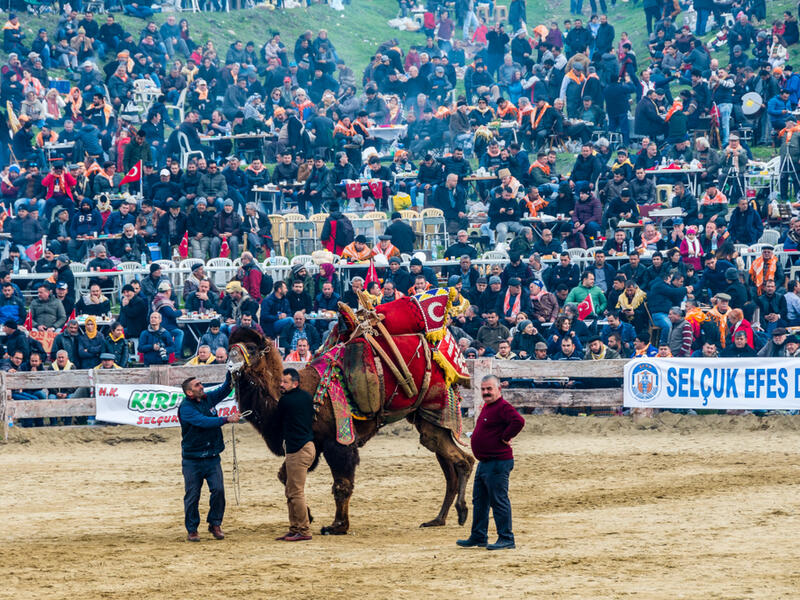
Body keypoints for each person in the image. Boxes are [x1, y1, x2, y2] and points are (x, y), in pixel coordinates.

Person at [457, 375, 524, 551]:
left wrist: (505, 437)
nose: (486, 392)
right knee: (480, 501)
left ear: (498, 390)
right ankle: (478, 536)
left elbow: (519, 421)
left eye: (489, 389)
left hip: (498, 461)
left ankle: (506, 538)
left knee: (498, 500)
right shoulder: (489, 406)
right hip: (485, 462)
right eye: (483, 389)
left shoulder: (502, 407)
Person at [179, 372, 239, 542]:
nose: (202, 387)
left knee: (218, 490)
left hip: (212, 456)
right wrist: (227, 419)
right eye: (197, 385)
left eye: (200, 384)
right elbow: (203, 421)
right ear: (189, 393)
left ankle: (215, 523)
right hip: (193, 459)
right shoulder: (186, 408)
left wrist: (230, 371)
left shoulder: (207, 398)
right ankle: (192, 529)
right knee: (192, 495)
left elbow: (225, 389)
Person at [274, 368, 316, 542]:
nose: (281, 385)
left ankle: (303, 530)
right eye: (281, 381)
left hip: (297, 450)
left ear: (295, 384)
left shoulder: (286, 402)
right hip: (306, 446)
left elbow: (276, 421)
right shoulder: (306, 397)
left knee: (295, 492)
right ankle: (295, 528)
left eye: (285, 382)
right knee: (291, 490)